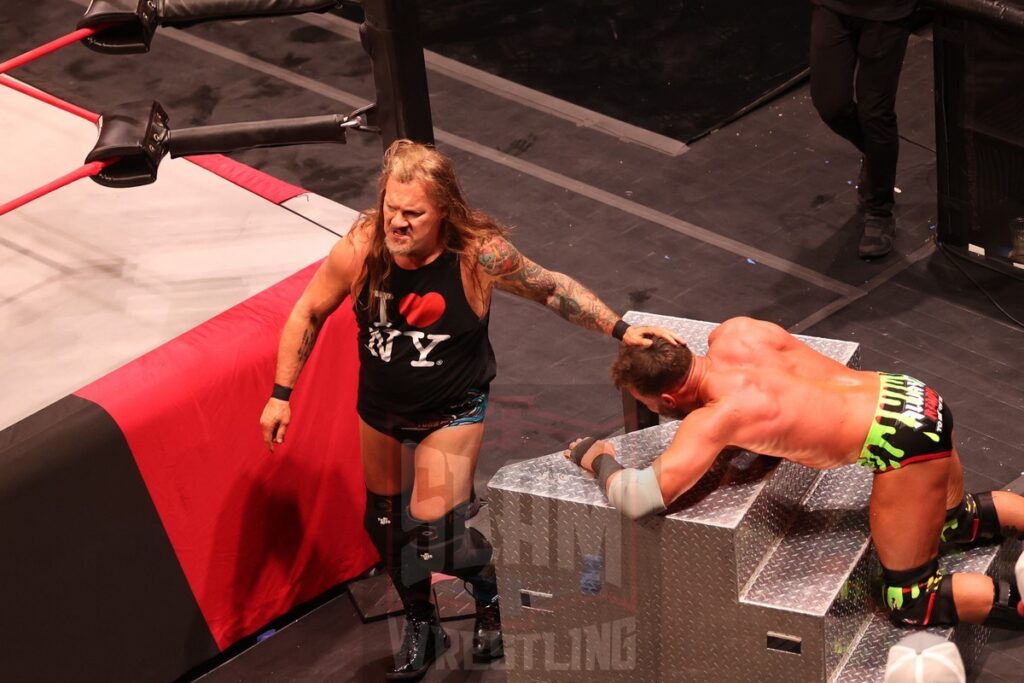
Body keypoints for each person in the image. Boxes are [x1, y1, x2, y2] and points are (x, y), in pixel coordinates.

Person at [259, 139, 680, 680]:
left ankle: (490, 596)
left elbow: (552, 290)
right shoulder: (362, 246)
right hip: (381, 410)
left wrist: (620, 328)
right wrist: (280, 393)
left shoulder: (479, 257)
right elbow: (308, 313)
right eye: (391, 207)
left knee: (436, 537)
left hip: (450, 412)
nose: (398, 223)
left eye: (413, 214)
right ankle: (422, 620)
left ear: (443, 213)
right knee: (384, 525)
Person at [567, 316, 1024, 631]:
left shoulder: (716, 418)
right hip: (913, 395)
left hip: (899, 439)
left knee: (912, 600)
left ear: (667, 402)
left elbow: (637, 496)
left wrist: (597, 457)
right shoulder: (737, 333)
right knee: (955, 520)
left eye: (653, 409)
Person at [809, 0, 918, 258]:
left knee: (875, 113)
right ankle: (877, 157)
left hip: (886, 13)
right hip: (834, 7)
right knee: (831, 104)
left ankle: (879, 211)